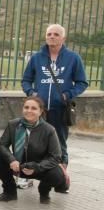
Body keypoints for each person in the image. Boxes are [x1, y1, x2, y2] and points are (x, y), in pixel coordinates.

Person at [21, 24, 88, 168]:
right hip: (39, 110)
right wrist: (32, 94)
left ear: (63, 38)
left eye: (56, 34)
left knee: (59, 143)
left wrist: (67, 95)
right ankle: (27, 174)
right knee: (32, 142)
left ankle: (61, 176)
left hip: (60, 110)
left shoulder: (73, 58)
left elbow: (82, 83)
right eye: (49, 34)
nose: (52, 36)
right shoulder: (37, 58)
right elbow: (26, 80)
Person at [0, 96, 66, 204]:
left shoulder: (49, 130)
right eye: (26, 107)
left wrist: (37, 167)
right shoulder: (13, 124)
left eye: (33, 108)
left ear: (41, 111)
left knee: (57, 175)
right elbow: (1, 145)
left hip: (39, 168)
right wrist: (11, 160)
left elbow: (56, 156)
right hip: (19, 166)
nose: (29, 111)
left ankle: (44, 191)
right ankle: (10, 192)